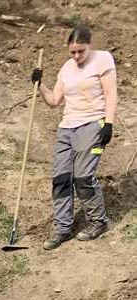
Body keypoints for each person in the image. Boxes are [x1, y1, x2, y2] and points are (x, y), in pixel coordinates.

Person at [34, 25, 117, 249]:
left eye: (81, 51)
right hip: (67, 127)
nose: (77, 56)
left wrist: (108, 123)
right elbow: (54, 101)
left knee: (82, 177)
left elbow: (111, 94)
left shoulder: (103, 60)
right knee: (61, 178)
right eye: (72, 52)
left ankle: (98, 222)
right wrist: (39, 84)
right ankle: (63, 227)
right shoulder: (66, 68)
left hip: (93, 124)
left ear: (89, 45)